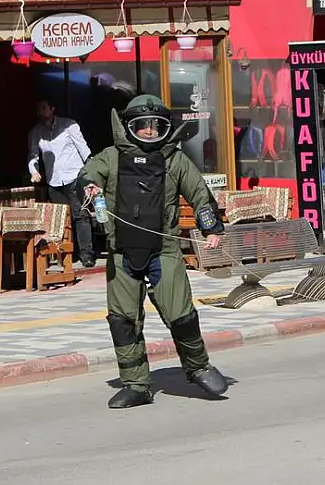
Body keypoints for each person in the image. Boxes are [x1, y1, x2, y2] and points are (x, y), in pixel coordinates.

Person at [79, 94, 229, 409]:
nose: (149, 131)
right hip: (122, 253)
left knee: (182, 316)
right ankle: (136, 385)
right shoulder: (110, 157)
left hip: (164, 250)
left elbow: (199, 194)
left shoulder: (175, 159)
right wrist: (89, 187)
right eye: (142, 125)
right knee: (123, 321)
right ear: (128, 126)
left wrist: (211, 228)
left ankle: (198, 366)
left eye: (156, 126)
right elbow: (87, 174)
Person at [27, 99, 95, 267]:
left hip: (74, 176)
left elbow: (83, 148)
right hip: (54, 180)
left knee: (81, 215)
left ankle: (86, 254)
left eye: (43, 108)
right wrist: (34, 171)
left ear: (52, 109)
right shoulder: (36, 132)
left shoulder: (69, 125)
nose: (41, 112)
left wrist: (92, 172)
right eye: (38, 109)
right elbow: (33, 155)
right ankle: (68, 253)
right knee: (63, 219)